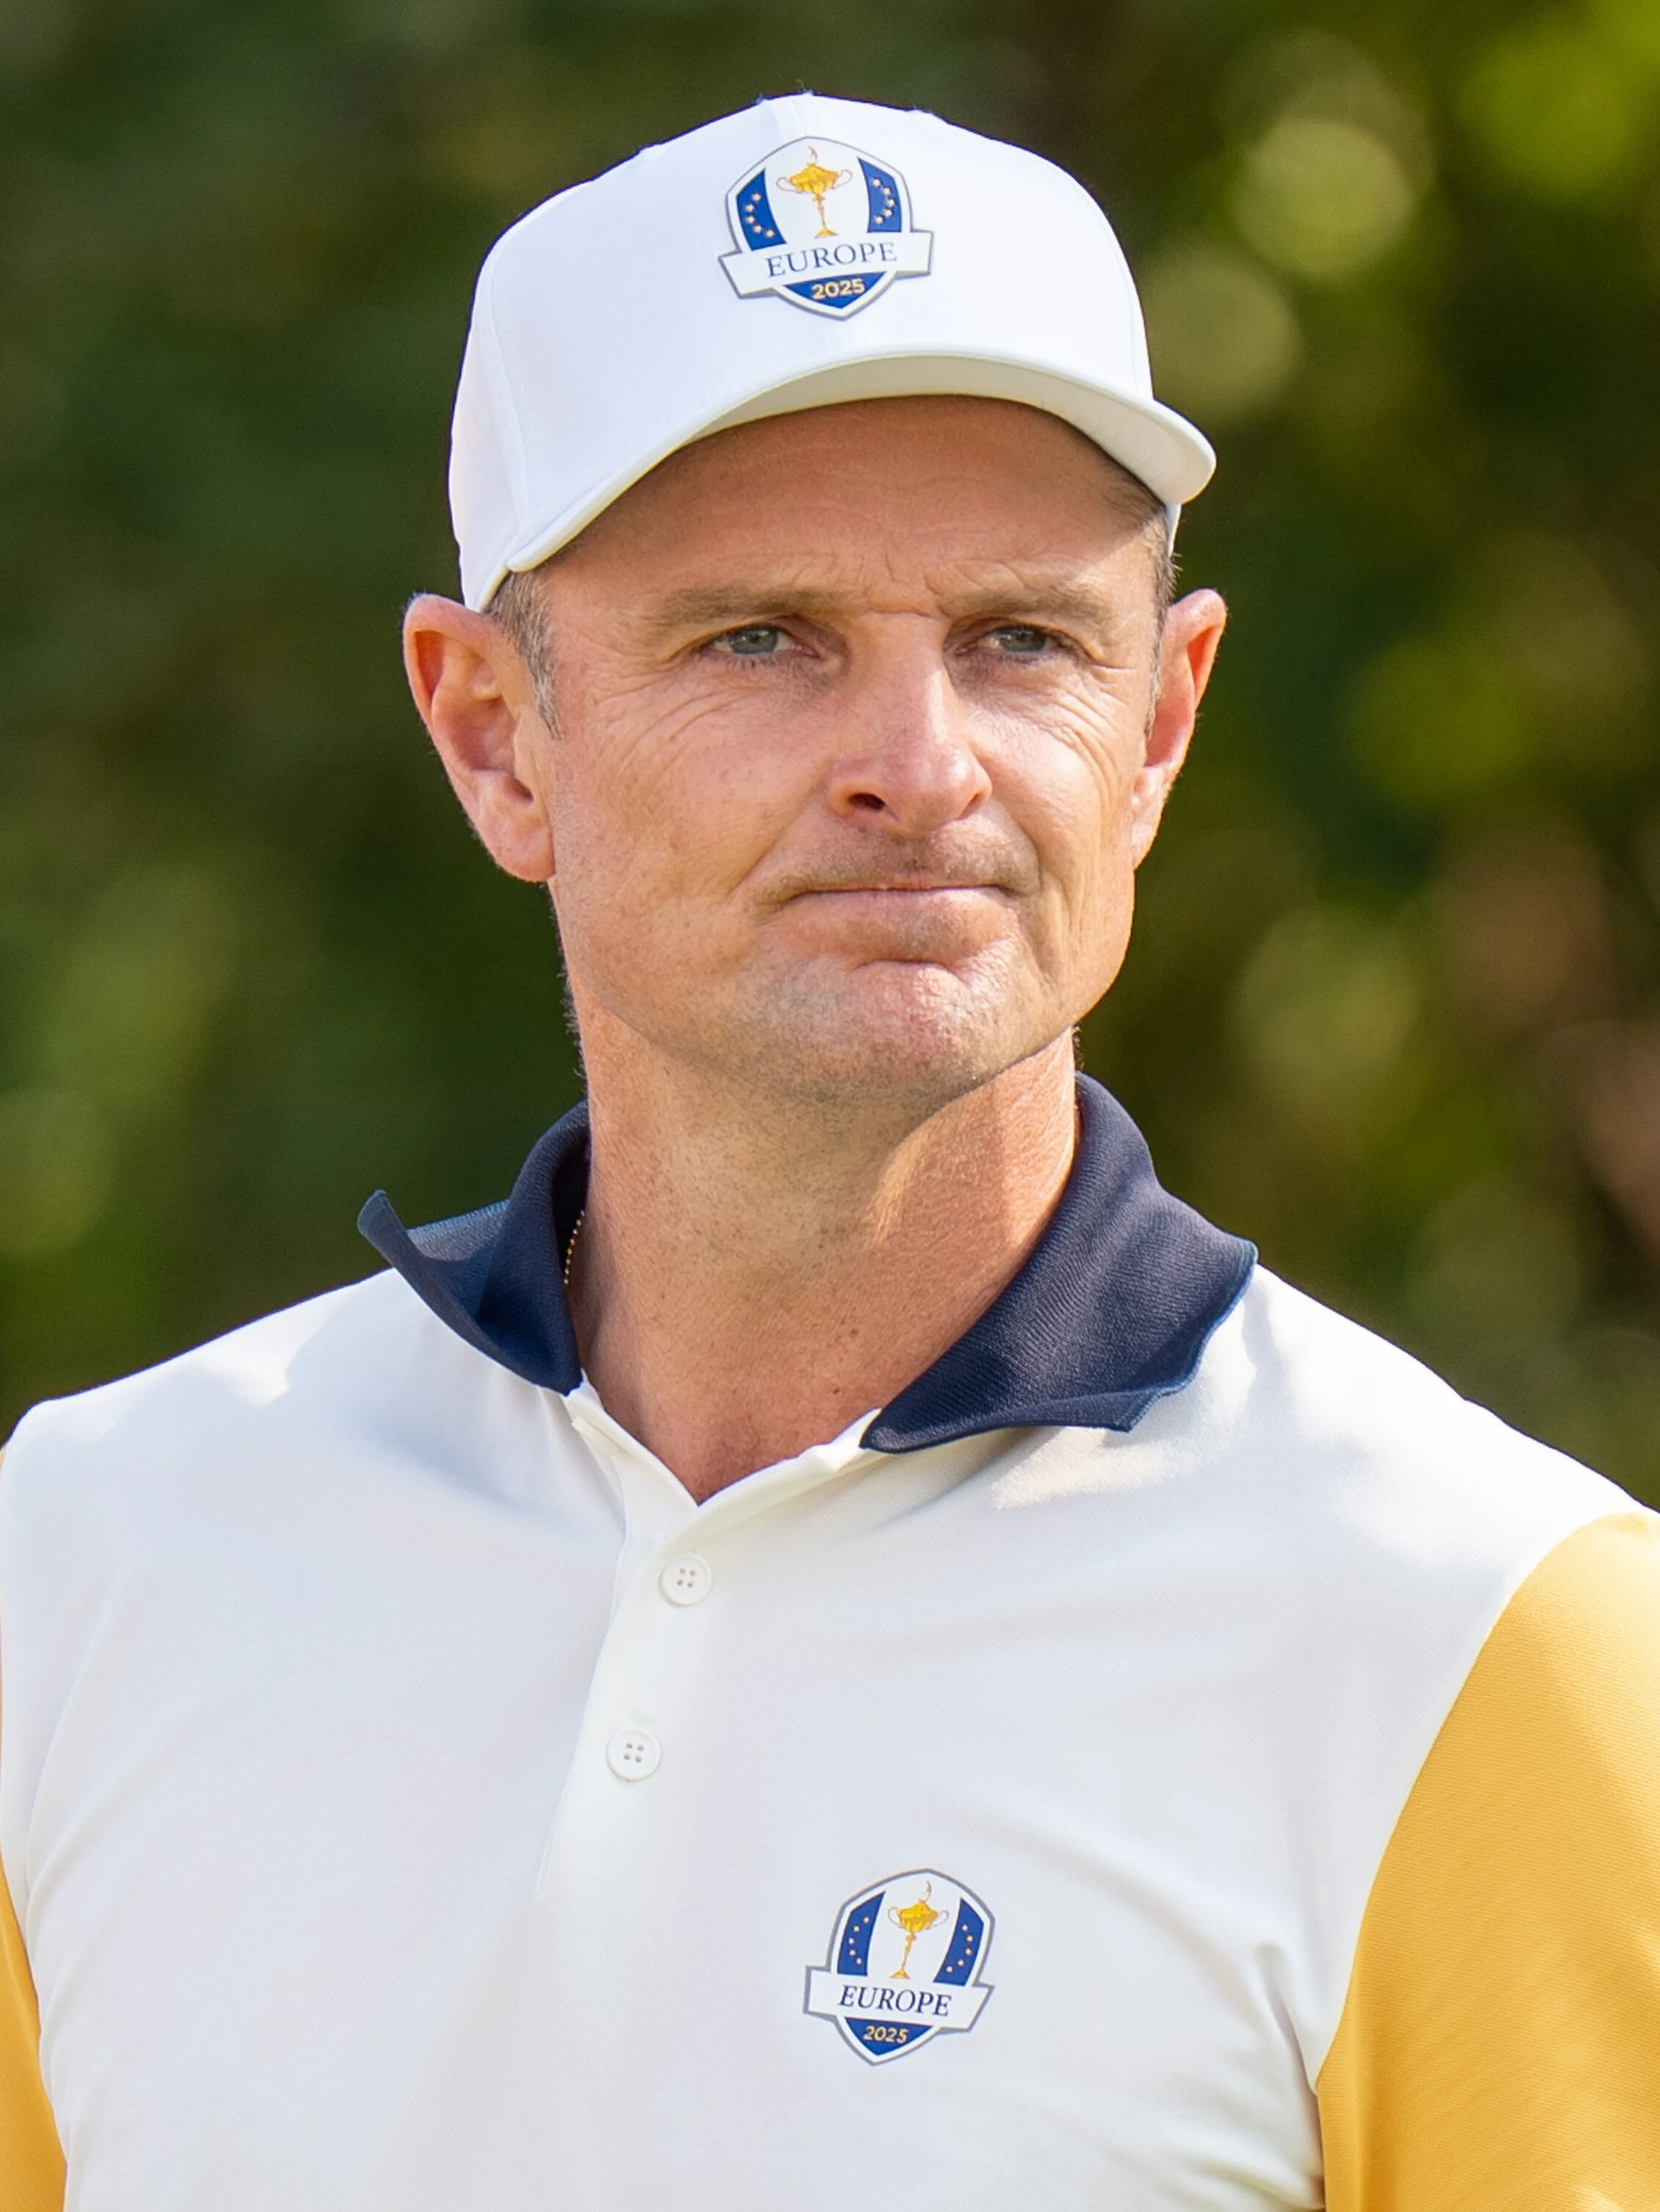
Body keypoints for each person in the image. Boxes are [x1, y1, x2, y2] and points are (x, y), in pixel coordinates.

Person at [2, 92, 1658, 2212]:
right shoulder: (92, 1557)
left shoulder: (1486, 1640)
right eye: (758, 638)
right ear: (493, 731)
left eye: (1020, 640)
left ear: (1157, 720)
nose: (914, 765)